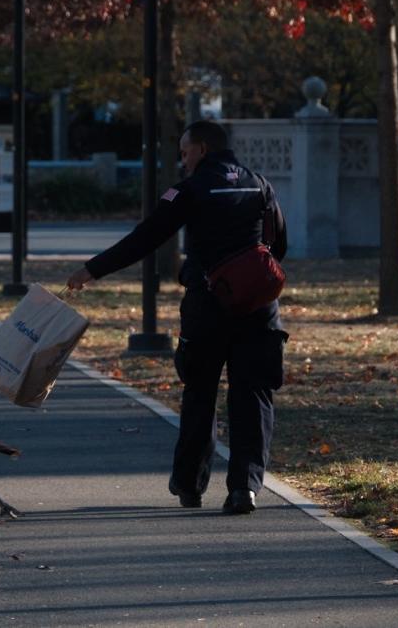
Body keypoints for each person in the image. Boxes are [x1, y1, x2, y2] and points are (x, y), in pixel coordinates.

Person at [66, 119, 288, 515]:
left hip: (208, 306)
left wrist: (92, 269)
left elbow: (145, 237)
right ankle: (245, 488)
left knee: (200, 392)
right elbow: (279, 243)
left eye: (185, 152)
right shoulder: (260, 184)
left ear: (202, 149)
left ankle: (189, 484)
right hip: (258, 308)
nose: (182, 160)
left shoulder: (189, 190)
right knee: (253, 395)